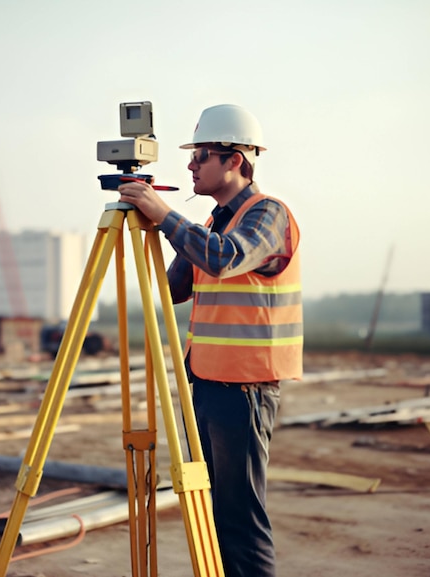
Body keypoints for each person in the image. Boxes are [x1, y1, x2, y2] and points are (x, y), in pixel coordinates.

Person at [118, 103, 303, 577]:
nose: (190, 165)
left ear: (234, 160)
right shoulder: (212, 225)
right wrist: (147, 226)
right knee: (216, 513)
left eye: (200, 155)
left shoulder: (268, 216)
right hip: (206, 383)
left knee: (240, 518)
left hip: (245, 390)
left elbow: (224, 259)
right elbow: (174, 287)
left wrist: (164, 215)